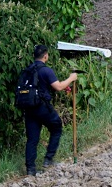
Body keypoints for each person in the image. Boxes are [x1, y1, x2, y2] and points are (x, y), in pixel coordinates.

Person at [24, 45, 77, 176]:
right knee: (56, 127)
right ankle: (48, 160)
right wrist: (71, 79)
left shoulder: (27, 70)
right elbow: (58, 86)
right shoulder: (46, 70)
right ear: (46, 56)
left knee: (32, 139)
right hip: (42, 107)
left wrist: (64, 86)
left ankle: (30, 170)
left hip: (29, 108)